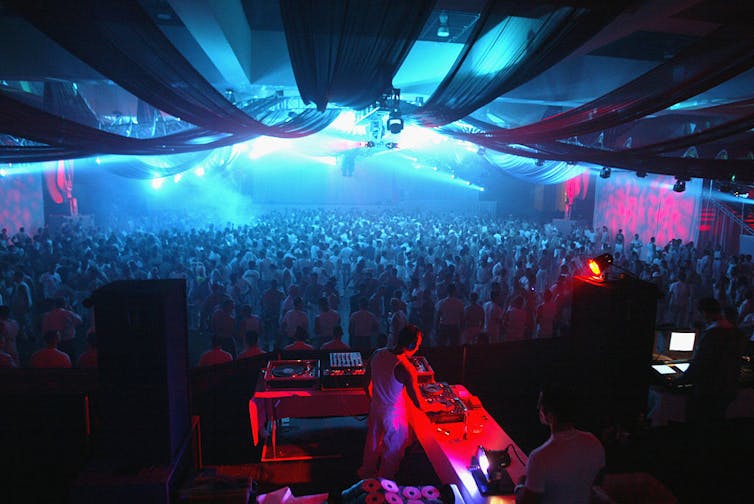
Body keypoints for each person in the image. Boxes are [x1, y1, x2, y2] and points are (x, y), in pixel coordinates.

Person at [358, 324, 430, 479]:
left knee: (372, 445)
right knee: (392, 450)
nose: (418, 348)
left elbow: (365, 383)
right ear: (411, 345)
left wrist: (374, 400)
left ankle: (366, 478)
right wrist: (436, 406)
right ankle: (385, 484)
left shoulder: (377, 353)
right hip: (394, 416)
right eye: (417, 345)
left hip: (376, 408)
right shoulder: (405, 367)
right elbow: (418, 403)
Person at [515, 383, 605, 504]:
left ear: (550, 416)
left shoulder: (539, 457)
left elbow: (525, 502)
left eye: (541, 406)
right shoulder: (594, 443)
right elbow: (597, 480)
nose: (538, 408)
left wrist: (520, 484)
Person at [675, 297, 743, 425]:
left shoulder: (712, 334)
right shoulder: (737, 333)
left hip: (709, 390)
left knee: (700, 423)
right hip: (728, 388)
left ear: (704, 312)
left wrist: (679, 381)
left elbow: (700, 364)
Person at [41, 297, 83, 361]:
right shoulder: (68, 313)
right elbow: (80, 321)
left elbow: (44, 330)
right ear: (65, 305)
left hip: (52, 344)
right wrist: (71, 310)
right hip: (68, 343)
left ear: (54, 305)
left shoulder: (47, 315)